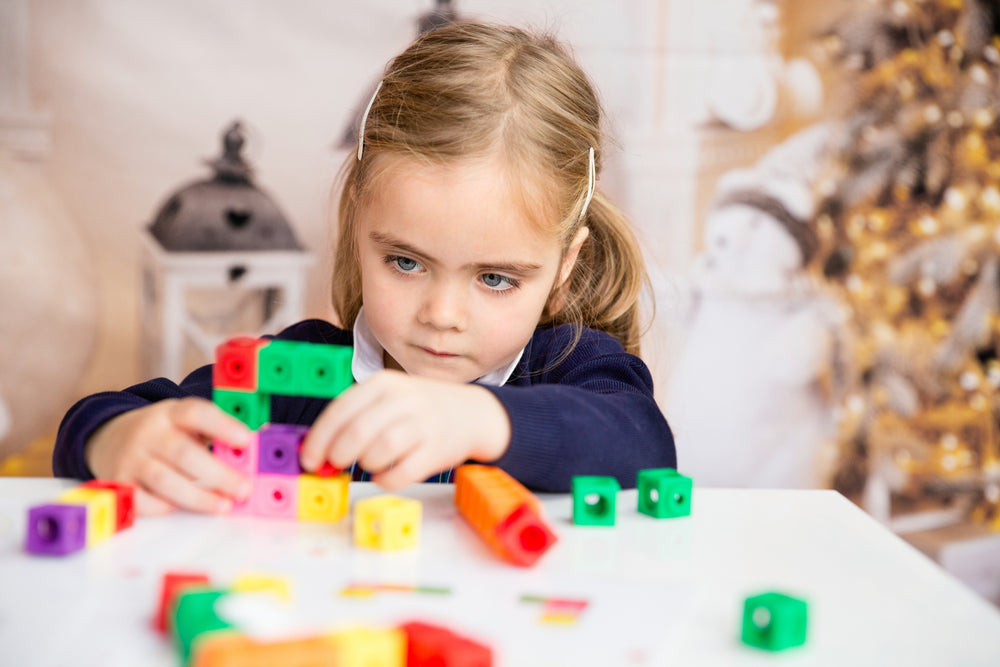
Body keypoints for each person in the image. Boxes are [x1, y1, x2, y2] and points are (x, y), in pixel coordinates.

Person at [53, 22, 676, 516]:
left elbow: (642, 444)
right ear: (359, 230)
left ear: (564, 266)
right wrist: (114, 438)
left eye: (496, 278)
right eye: (405, 261)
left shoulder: (570, 366)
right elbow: (109, 417)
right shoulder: (300, 375)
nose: (442, 315)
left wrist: (481, 421)